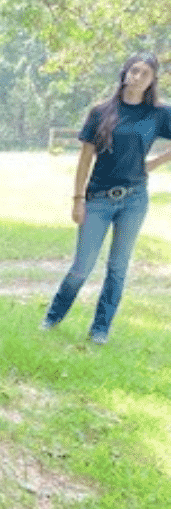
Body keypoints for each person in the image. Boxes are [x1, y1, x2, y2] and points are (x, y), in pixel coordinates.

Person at [42, 53, 171, 343]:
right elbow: (85, 157)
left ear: (152, 80)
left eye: (145, 74)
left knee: (118, 268)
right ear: (125, 72)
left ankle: (100, 329)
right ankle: (52, 319)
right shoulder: (101, 111)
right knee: (82, 266)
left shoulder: (159, 114)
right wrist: (77, 199)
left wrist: (154, 163)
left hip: (134, 200)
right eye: (134, 71)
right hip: (98, 199)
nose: (137, 77)